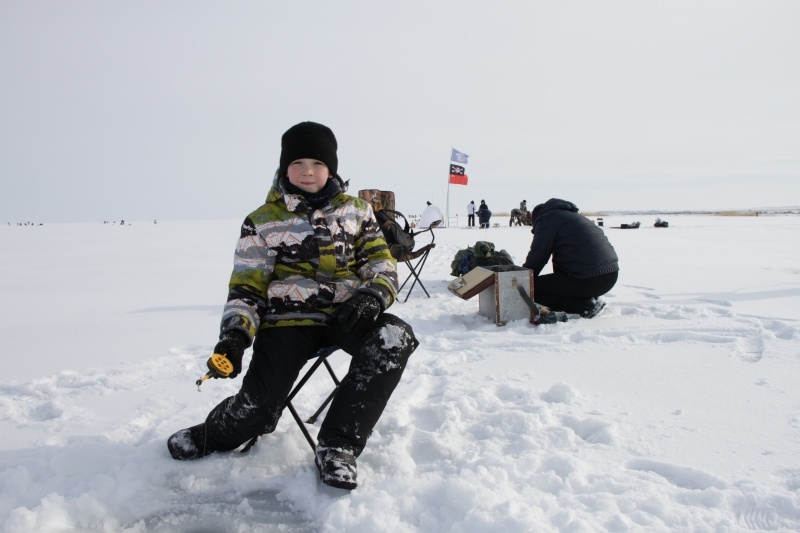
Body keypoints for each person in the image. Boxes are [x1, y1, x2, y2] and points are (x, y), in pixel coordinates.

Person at [167, 121, 419, 490]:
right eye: (297, 163)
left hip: (348, 314)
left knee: (395, 337)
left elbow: (381, 262)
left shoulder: (358, 211)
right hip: (287, 322)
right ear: (284, 168)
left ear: (330, 168)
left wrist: (372, 296)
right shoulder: (262, 221)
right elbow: (246, 288)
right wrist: (235, 336)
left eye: (316, 163)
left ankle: (338, 446)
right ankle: (217, 431)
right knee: (256, 412)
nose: (307, 171)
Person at [522, 198, 618, 318]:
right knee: (552, 285)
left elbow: (538, 255)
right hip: (610, 276)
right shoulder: (571, 217)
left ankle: (585, 307)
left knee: (533, 289)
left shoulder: (547, 219)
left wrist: (522, 280)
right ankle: (590, 300)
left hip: (591, 278)